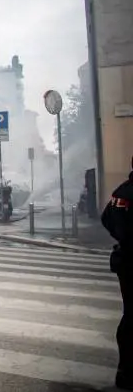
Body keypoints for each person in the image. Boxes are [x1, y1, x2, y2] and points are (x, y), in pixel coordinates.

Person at [101, 155, 133, 390]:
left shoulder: (121, 191)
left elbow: (106, 218)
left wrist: (121, 237)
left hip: (125, 261)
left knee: (130, 315)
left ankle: (125, 370)